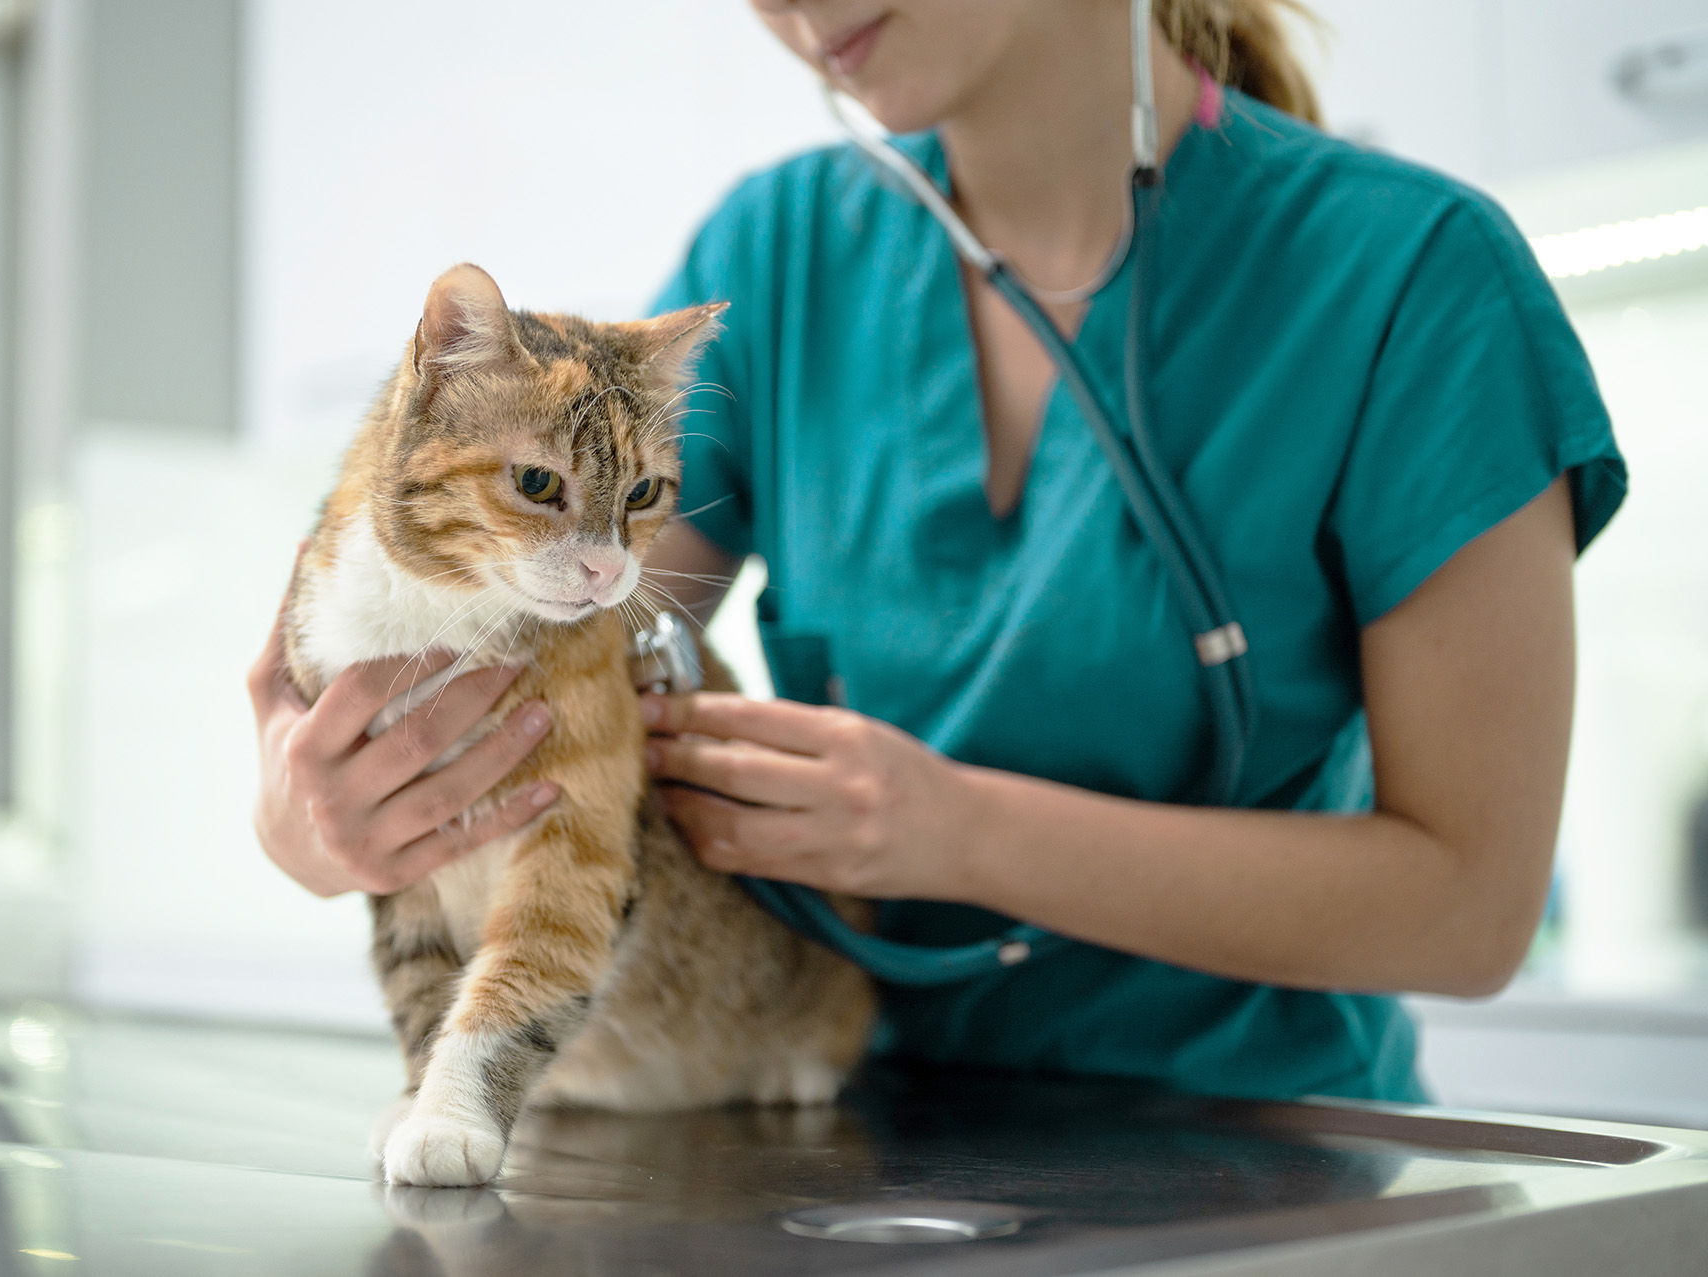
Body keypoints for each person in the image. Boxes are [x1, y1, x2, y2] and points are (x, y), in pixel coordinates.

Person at [250, 0, 1625, 1103]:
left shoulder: (1419, 281)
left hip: (1275, 1155)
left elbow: (1471, 910)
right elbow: (551, 642)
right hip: (854, 1127)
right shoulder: (780, 251)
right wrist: (326, 816)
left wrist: (956, 831)